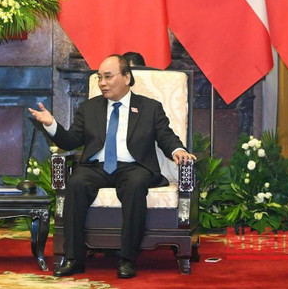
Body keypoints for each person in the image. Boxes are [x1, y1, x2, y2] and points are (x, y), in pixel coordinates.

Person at [29, 54, 195, 279]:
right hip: (97, 167)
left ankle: (127, 259)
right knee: (76, 183)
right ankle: (74, 259)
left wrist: (178, 151)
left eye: (108, 77)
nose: (102, 83)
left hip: (134, 167)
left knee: (136, 185)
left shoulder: (149, 108)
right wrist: (51, 125)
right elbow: (70, 140)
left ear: (127, 77)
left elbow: (166, 137)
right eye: (99, 78)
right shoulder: (89, 108)